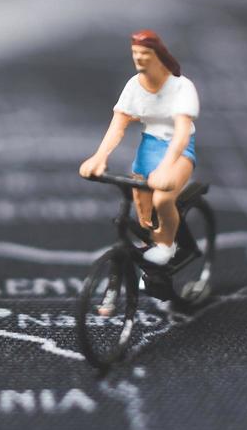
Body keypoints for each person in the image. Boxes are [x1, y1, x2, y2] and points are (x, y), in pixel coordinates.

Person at [79, 30, 199, 266]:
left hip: (178, 151)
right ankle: (151, 248)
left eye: (144, 53)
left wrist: (166, 168)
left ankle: (167, 245)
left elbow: (182, 132)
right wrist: (99, 157)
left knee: (163, 200)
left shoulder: (181, 87)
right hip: (149, 147)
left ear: (157, 55)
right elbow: (118, 126)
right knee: (142, 208)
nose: (139, 58)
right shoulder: (134, 86)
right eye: (135, 53)